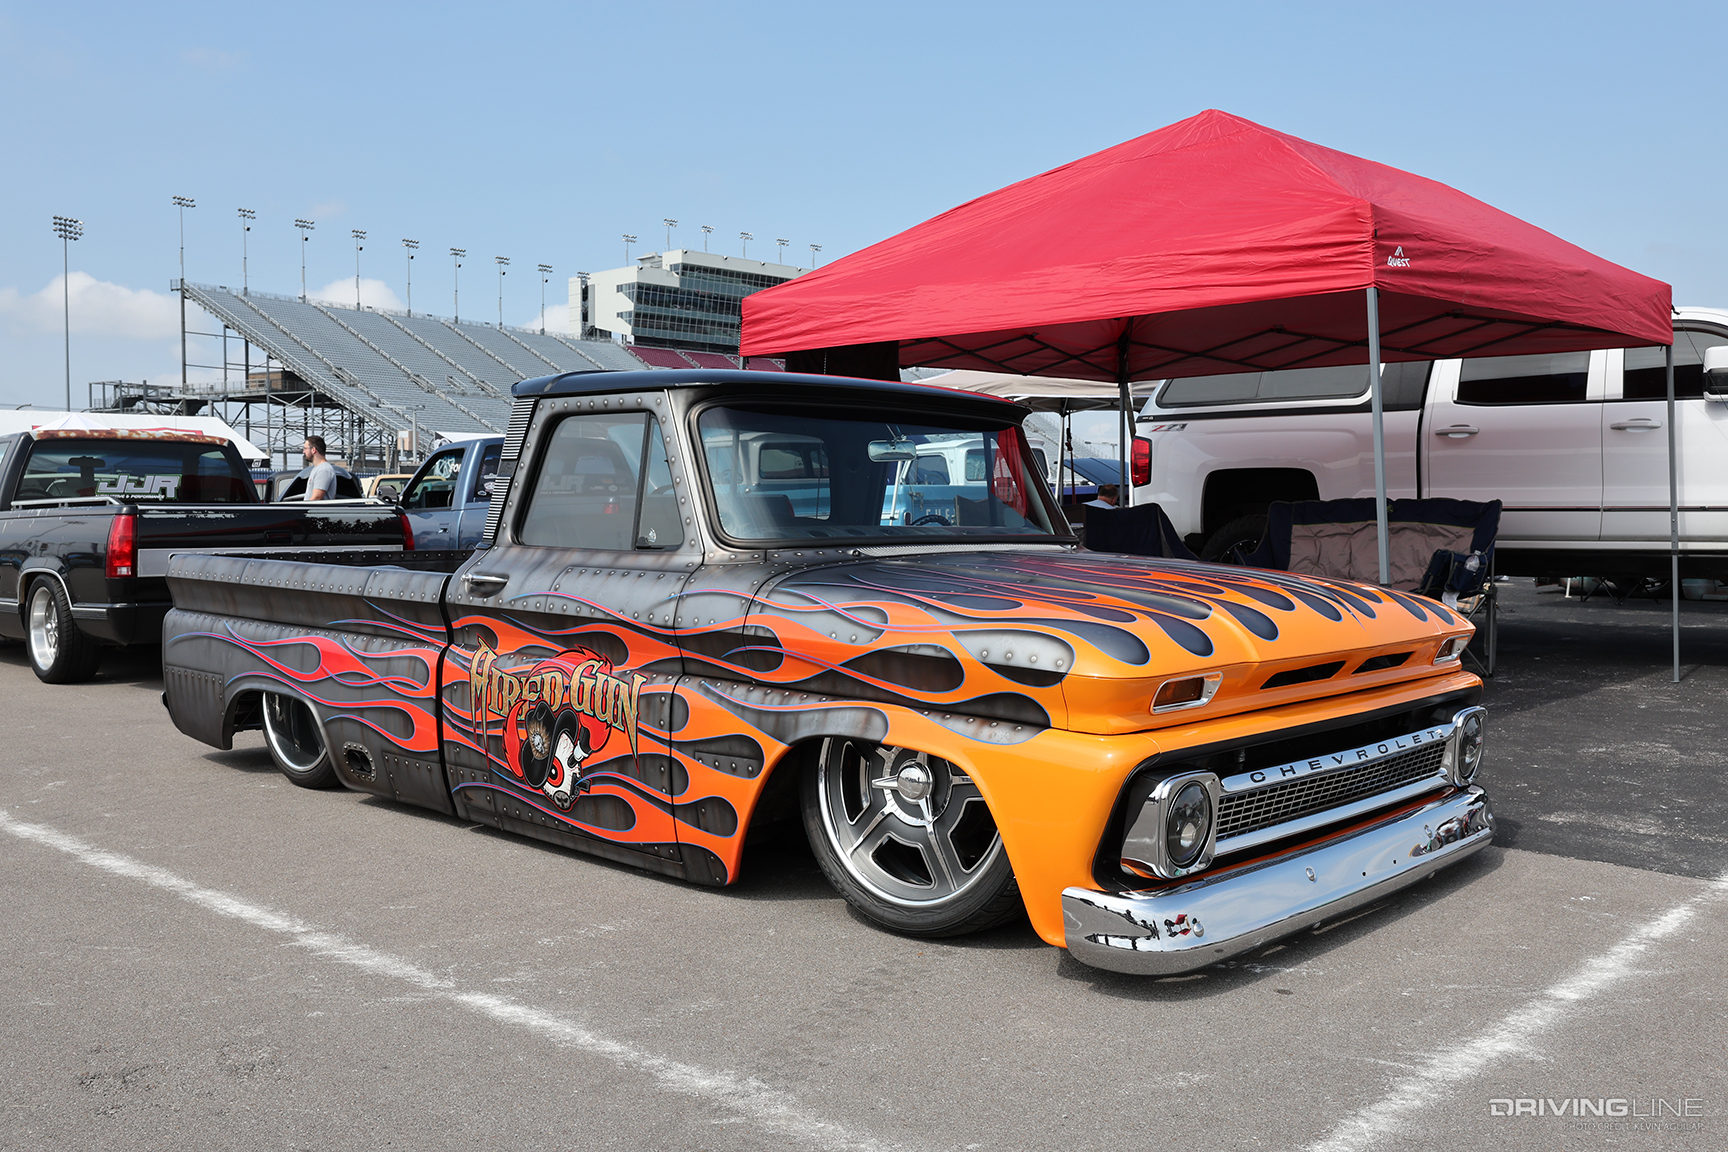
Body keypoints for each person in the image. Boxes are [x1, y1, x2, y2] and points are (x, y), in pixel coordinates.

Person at [302, 436, 337, 501]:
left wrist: (304, 509)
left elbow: (317, 497)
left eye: (305, 449)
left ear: (313, 450)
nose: (303, 452)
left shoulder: (324, 470)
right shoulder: (318, 468)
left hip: (315, 510)